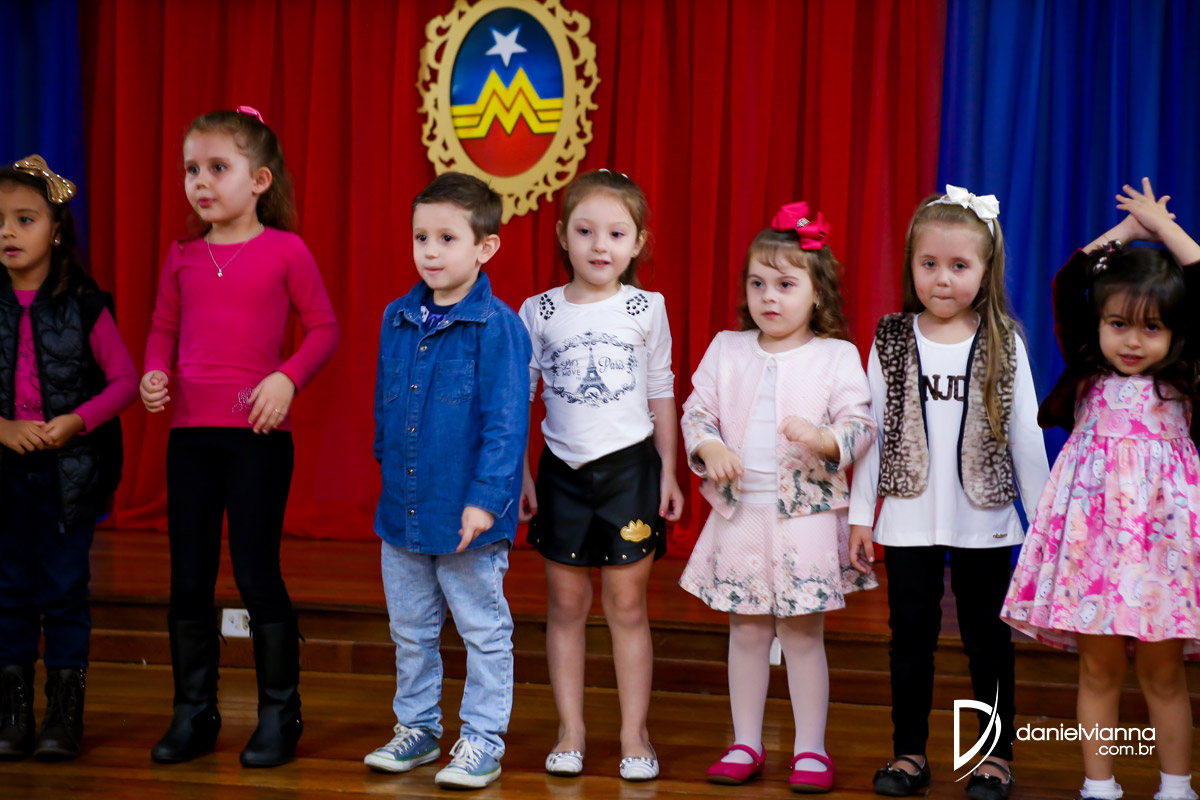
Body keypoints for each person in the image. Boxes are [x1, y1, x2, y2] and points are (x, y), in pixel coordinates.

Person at [141, 107, 339, 768]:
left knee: (256, 573)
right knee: (188, 578)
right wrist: (154, 371)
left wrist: (286, 377)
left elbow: (323, 329)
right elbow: (164, 328)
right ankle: (193, 713)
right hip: (191, 439)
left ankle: (280, 715)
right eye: (191, 169)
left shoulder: (286, 250)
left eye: (217, 168)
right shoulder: (182, 256)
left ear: (258, 180)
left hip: (257, 438)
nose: (200, 181)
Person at [1001, 178, 1200, 800]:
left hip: (1162, 552)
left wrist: (1165, 230)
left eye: (1151, 328)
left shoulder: (1184, 378)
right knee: (1098, 668)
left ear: (1175, 334)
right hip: (1094, 549)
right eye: (1119, 324)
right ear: (1100, 325)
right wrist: (1128, 232)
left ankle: (1176, 787)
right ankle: (1099, 786)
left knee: (1164, 674)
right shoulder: (1088, 363)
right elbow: (1068, 284)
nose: (1132, 341)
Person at [848, 186, 1049, 799]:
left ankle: (992, 758)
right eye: (928, 263)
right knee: (909, 639)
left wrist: (1045, 526)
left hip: (983, 518)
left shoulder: (1003, 341)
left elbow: (1026, 438)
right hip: (908, 518)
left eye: (959, 265)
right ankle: (909, 753)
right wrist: (861, 516)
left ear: (986, 271)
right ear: (911, 265)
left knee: (987, 641)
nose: (942, 279)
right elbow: (871, 431)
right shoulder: (891, 339)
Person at [680, 202, 877, 793]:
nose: (769, 296)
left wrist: (825, 438)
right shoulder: (728, 348)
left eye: (786, 285)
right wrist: (709, 445)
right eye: (758, 283)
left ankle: (811, 750)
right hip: (741, 513)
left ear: (817, 294)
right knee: (746, 631)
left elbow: (861, 425)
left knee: (801, 635)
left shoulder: (835, 356)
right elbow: (697, 411)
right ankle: (745, 741)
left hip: (805, 519)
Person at [363, 172, 531, 790]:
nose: (430, 252)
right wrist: (386, 464)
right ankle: (418, 728)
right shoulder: (397, 316)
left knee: (483, 629)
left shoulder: (498, 327)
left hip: (467, 515)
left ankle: (482, 738)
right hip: (404, 509)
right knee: (410, 631)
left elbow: (507, 423)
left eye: (447, 239)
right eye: (421, 238)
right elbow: (386, 403)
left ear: (485, 247)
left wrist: (485, 501)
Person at [519, 169, 683, 781]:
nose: (599, 246)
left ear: (637, 243)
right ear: (563, 235)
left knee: (627, 605)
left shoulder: (647, 308)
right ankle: (571, 732)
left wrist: (670, 471)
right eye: (585, 231)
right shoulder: (537, 310)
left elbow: (661, 390)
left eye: (616, 233)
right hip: (561, 471)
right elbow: (519, 397)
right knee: (565, 604)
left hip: (629, 472)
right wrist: (521, 476)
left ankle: (634, 735)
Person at [0, 155, 138, 761]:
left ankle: (62, 714)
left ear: (55, 230)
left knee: (63, 591)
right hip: (5, 473)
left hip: (68, 477)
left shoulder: (84, 304)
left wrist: (76, 421)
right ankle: (12, 714)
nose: (7, 232)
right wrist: (3, 428)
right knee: (7, 592)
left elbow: (125, 381)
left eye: (24, 219)